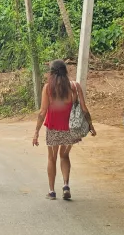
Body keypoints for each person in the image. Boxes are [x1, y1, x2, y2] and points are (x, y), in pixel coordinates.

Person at [32, 60, 96, 201]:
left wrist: (36, 131)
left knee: (51, 158)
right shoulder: (74, 86)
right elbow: (84, 109)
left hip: (53, 128)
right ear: (65, 71)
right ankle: (66, 185)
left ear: (52, 73)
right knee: (64, 156)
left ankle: (52, 191)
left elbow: (42, 112)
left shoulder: (48, 88)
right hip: (70, 130)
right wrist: (91, 125)